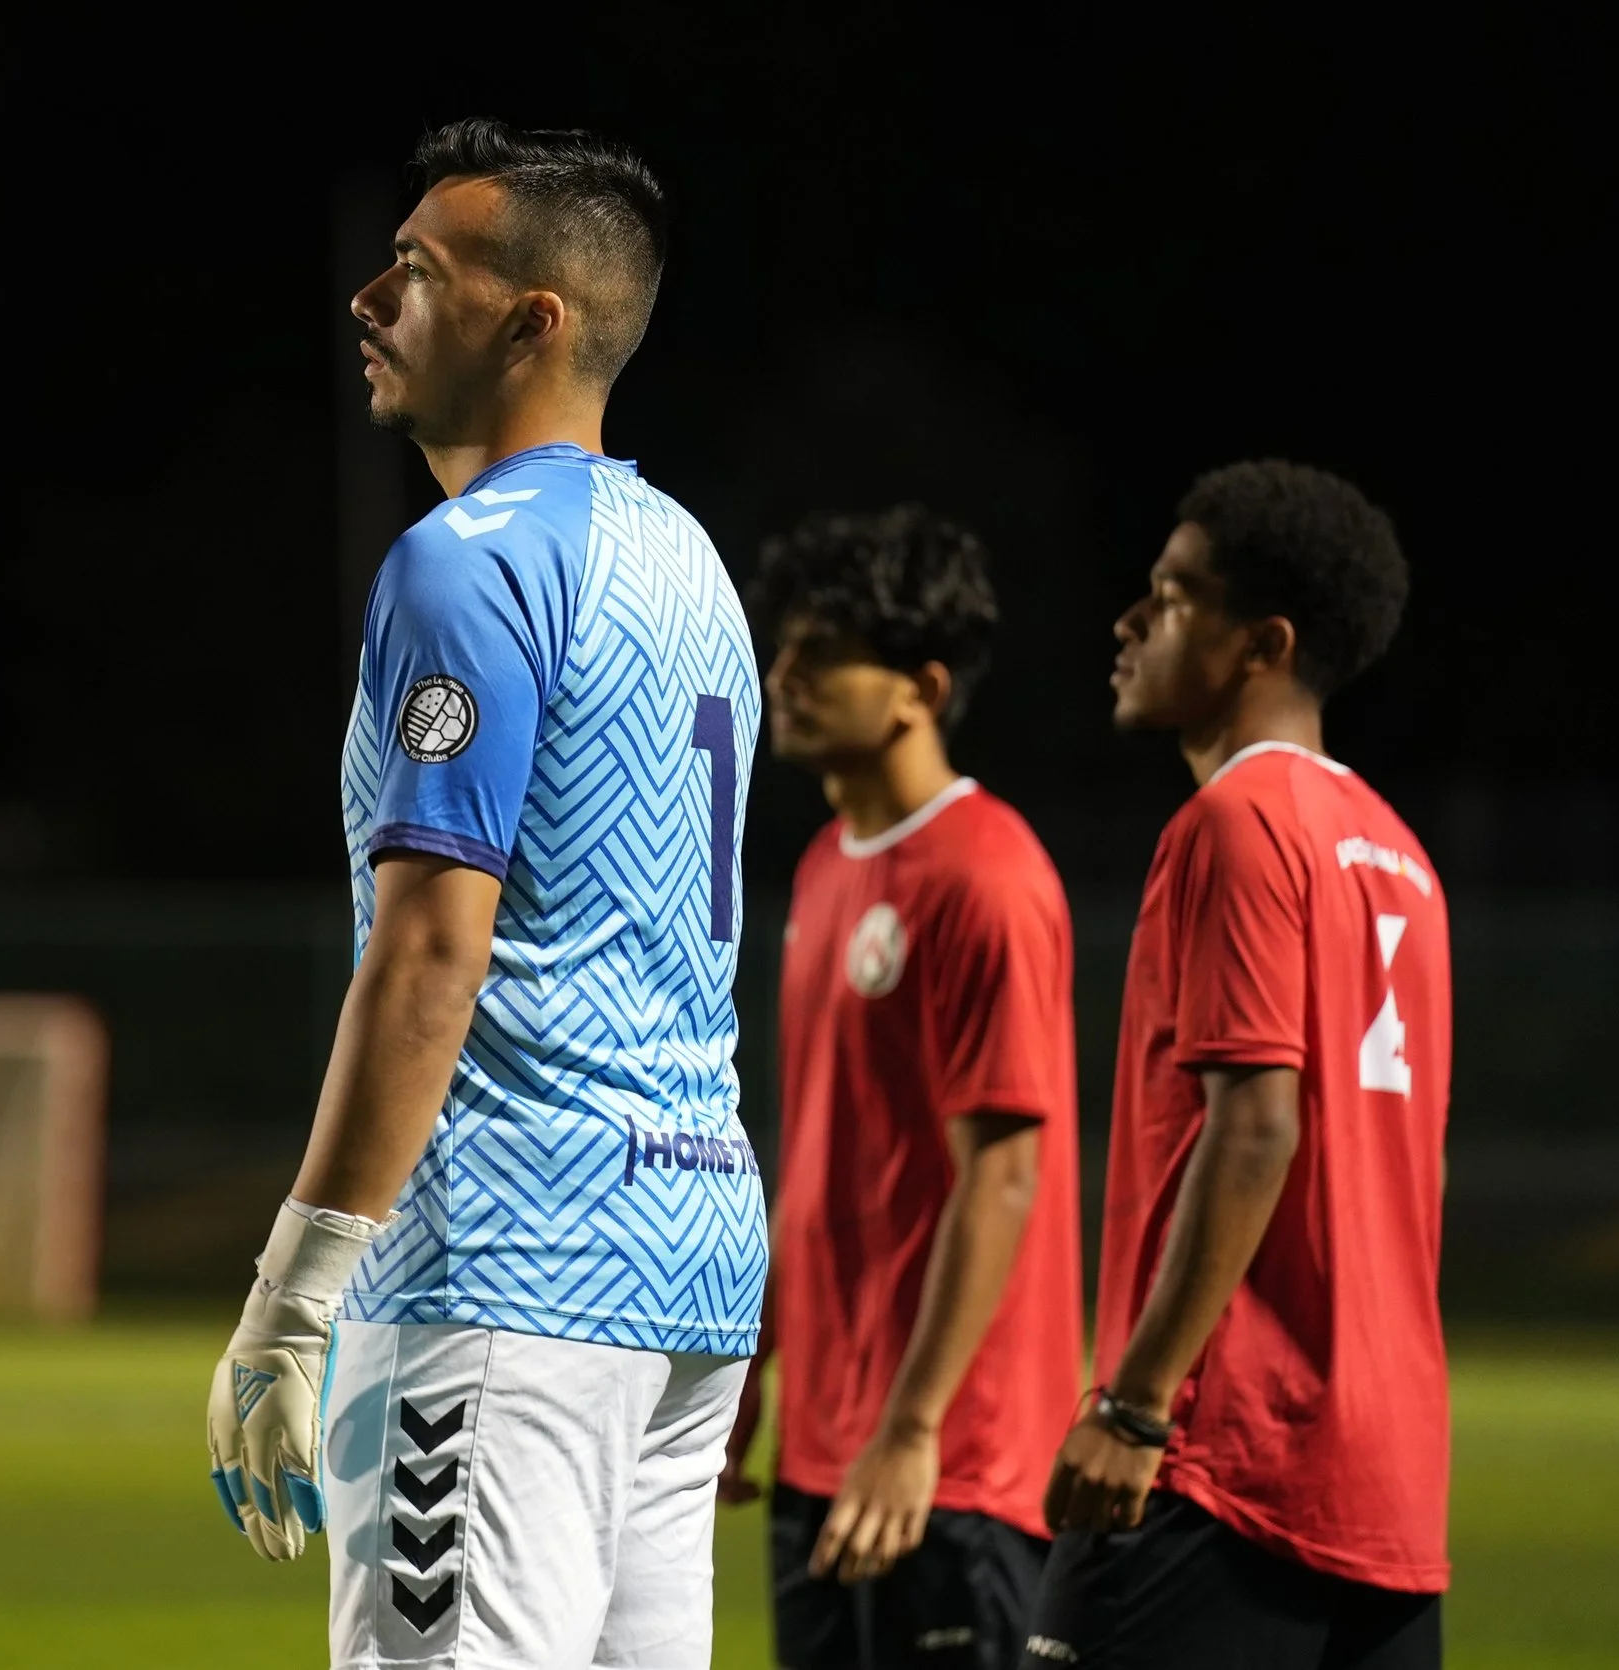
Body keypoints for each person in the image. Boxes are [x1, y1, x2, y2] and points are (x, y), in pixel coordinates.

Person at [202, 119, 764, 1668]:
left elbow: (433, 949)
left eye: (419, 273)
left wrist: (297, 1289)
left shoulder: (467, 563)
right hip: (693, 1262)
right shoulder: (690, 559)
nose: (373, 300)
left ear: (537, 319)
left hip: (510, 1260)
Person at [1025, 461, 1447, 1668]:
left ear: (1262, 642)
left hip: (1223, 1459)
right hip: (1387, 1479)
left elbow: (1257, 1125)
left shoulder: (1234, 823)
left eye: (1170, 594)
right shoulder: (1401, 854)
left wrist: (1134, 1401)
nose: (1130, 620)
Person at [722, 507, 1082, 1669]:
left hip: (947, 1463)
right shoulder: (825, 869)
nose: (787, 673)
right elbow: (819, 1160)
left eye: (823, 655)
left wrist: (914, 1426)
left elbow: (1005, 1173)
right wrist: (753, 1369)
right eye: (787, 647)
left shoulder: (986, 875)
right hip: (823, 1451)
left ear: (920, 686)